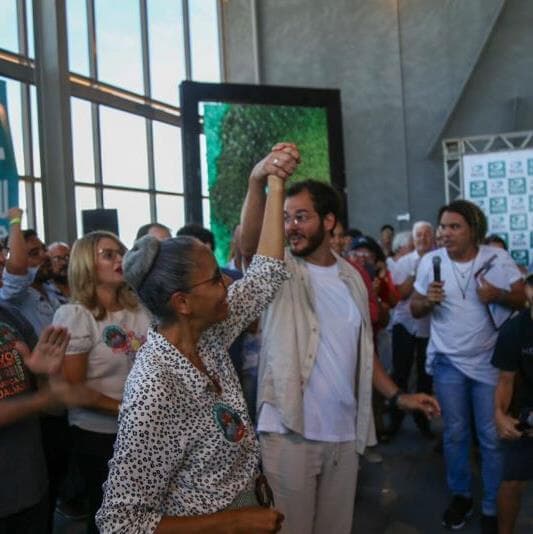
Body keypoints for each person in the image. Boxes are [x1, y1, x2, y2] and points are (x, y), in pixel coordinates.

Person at [240, 142, 440, 534]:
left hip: (344, 432)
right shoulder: (281, 271)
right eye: (286, 218)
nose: (291, 226)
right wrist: (257, 182)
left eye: (302, 217)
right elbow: (249, 248)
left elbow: (363, 355)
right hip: (288, 430)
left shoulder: (352, 278)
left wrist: (399, 396)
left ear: (329, 221)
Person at [95, 164, 290, 533]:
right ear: (182, 302)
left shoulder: (207, 335)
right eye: (216, 278)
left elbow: (264, 274)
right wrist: (232, 522)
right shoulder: (155, 390)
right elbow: (120, 523)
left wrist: (270, 181)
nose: (228, 283)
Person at [411, 200, 525, 533]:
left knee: (491, 437)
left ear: (473, 229)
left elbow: (521, 299)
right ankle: (461, 495)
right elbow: (415, 308)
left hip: (490, 363)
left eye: (454, 226)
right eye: (442, 226)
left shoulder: (496, 259)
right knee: (455, 434)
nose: (445, 233)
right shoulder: (430, 261)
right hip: (448, 363)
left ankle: (492, 506)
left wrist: (497, 295)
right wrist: (426, 301)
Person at [53, 231, 151, 533]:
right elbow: (74, 389)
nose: (120, 259)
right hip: (99, 436)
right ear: (86, 264)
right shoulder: (76, 316)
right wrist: (126, 409)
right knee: (112, 519)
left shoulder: (139, 308)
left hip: (146, 429)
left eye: (121, 252)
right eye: (108, 254)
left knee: (148, 515)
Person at [0, 304, 89, 534]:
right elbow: (47, 400)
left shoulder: (10, 315)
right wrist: (43, 398)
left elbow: (52, 404)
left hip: (29, 485)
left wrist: (44, 375)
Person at [491, 269, 533, 534]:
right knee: (511, 482)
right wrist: (499, 414)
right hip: (525, 412)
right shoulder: (514, 329)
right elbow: (506, 379)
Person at [389, 221, 434, 438]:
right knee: (401, 374)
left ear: (433, 237)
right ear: (412, 239)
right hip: (404, 325)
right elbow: (402, 294)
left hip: (429, 327)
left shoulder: (440, 260)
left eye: (427, 234)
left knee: (426, 376)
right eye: (419, 235)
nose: (423, 238)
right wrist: (418, 274)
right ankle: (395, 423)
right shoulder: (404, 262)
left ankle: (423, 421)